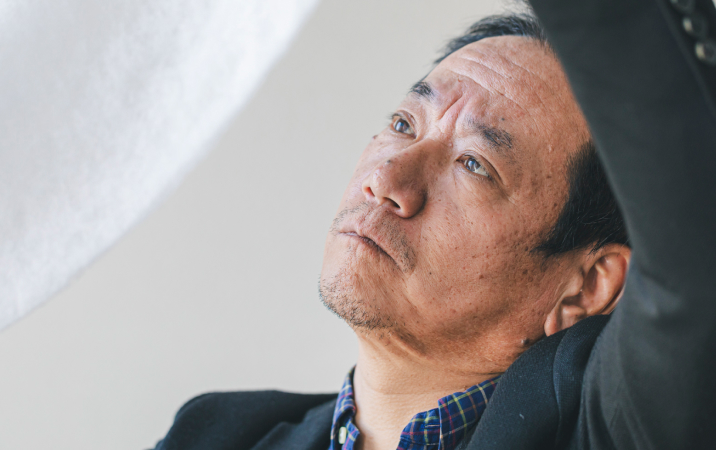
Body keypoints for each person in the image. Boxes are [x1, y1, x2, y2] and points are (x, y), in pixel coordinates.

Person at [154, 0, 716, 449]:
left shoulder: (614, 427)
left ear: (587, 285)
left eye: (474, 164)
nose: (386, 180)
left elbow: (692, 257)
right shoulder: (219, 434)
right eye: (403, 124)